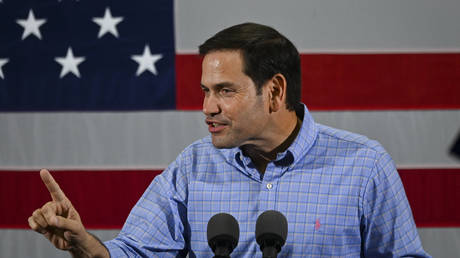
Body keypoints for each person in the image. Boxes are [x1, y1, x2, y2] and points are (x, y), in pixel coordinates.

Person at [28, 23, 430, 257]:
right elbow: (136, 253)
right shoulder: (194, 165)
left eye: (224, 91)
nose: (207, 107)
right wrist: (86, 245)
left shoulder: (363, 165)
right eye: (205, 91)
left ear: (274, 91)